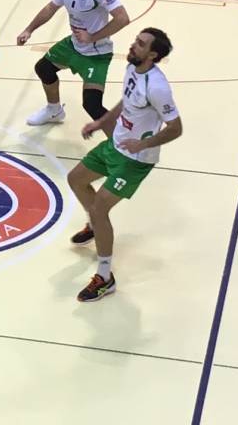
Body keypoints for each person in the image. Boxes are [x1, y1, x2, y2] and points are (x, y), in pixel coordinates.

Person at [68, 28, 182, 302]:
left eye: (140, 44)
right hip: (116, 144)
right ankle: (96, 227)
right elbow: (126, 100)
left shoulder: (157, 87)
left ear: (152, 55)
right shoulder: (132, 68)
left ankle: (105, 277)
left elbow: (176, 128)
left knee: (100, 208)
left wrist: (143, 144)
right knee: (76, 180)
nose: (133, 46)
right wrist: (101, 122)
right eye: (136, 41)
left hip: (134, 160)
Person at [16, 0, 130, 130]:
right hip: (74, 45)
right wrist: (29, 29)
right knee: (44, 68)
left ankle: (123, 139)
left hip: (96, 54)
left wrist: (92, 37)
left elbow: (123, 18)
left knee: (92, 105)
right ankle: (54, 110)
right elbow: (51, 8)